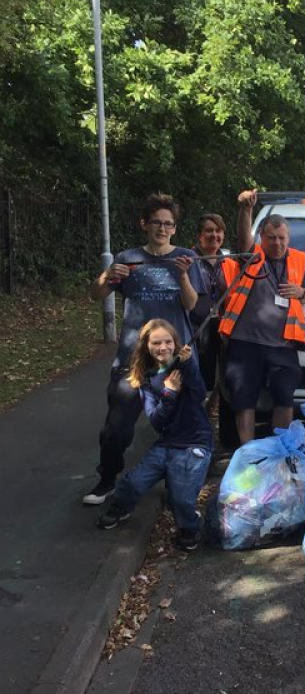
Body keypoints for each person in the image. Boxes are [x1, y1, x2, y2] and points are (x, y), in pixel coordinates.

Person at [85, 194, 204, 505]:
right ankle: (108, 478)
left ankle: (175, 482)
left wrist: (181, 275)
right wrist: (107, 275)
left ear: (175, 229)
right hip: (133, 359)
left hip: (174, 360)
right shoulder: (127, 258)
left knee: (180, 427)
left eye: (168, 224)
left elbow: (191, 305)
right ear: (144, 225)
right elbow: (96, 294)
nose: (162, 228)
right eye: (157, 223)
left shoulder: (186, 258)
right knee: (116, 429)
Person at [97, 319, 213, 550]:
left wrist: (189, 366)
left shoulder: (185, 367)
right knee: (133, 483)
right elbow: (157, 420)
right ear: (146, 346)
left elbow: (199, 393)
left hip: (194, 442)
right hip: (166, 442)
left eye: (168, 341)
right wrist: (169, 394)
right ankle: (120, 508)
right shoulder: (148, 380)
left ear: (176, 344)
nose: (163, 347)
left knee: (182, 499)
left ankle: (190, 528)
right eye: (156, 342)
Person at [219, 190, 305, 444]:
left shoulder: (300, 260)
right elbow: (242, 238)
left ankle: (279, 452)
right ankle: (247, 454)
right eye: (271, 238)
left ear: (288, 238)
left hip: (283, 346)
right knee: (243, 400)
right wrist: (246, 210)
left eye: (282, 238)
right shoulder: (253, 256)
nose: (277, 244)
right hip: (246, 343)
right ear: (262, 237)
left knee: (284, 397)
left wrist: (301, 291)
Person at [190, 212, 239, 452]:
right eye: (209, 230)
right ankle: (197, 438)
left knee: (228, 384)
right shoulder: (188, 260)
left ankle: (228, 441)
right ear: (199, 235)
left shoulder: (229, 262)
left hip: (225, 329)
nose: (214, 235)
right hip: (197, 331)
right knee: (201, 386)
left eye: (218, 231)